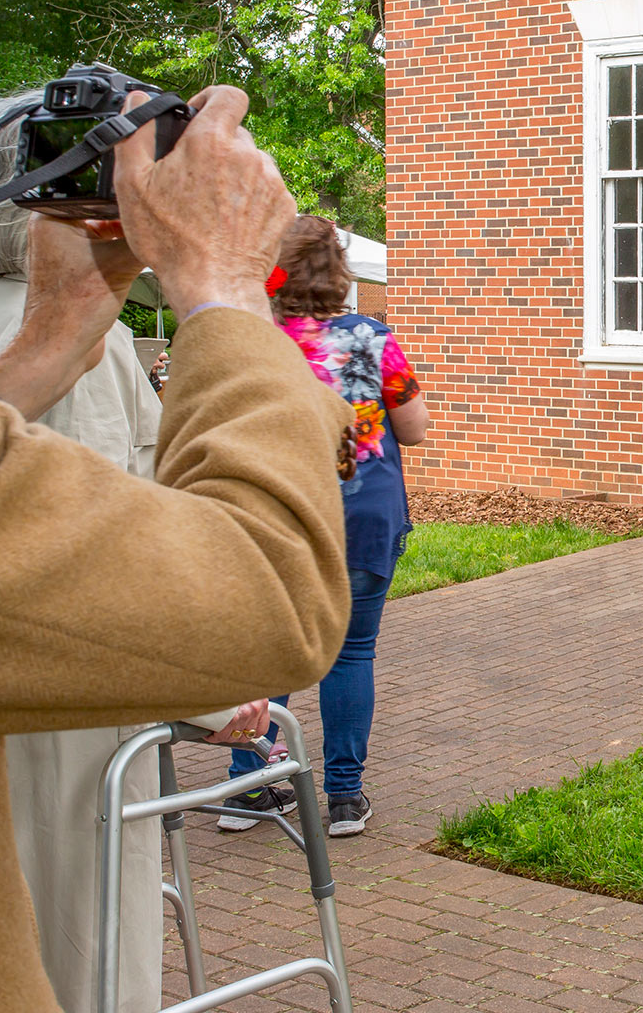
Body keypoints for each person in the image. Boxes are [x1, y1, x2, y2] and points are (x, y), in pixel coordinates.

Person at [0, 84, 354, 1011]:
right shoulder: (102, 348)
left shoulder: (23, 331)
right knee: (87, 943)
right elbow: (226, 592)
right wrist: (224, 288)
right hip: (67, 736)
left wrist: (53, 336)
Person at [221, 215, 430, 839]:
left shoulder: (250, 343)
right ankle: (344, 798)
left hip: (279, 516)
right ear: (339, 272)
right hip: (364, 517)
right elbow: (414, 428)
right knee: (350, 652)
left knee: (270, 651)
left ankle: (247, 788)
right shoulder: (372, 338)